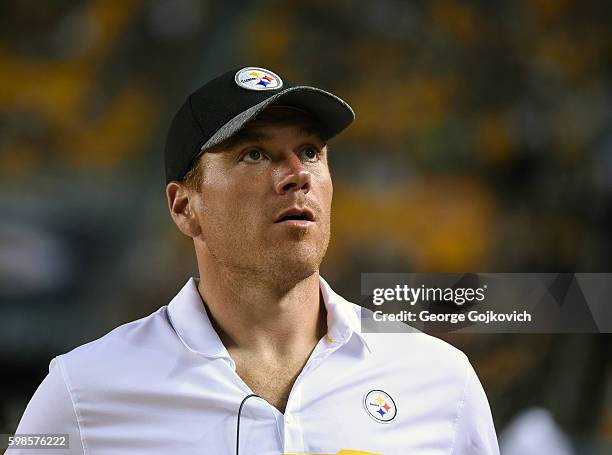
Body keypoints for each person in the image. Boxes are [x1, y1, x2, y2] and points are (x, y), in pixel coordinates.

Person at [8, 67, 500, 455]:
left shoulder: (439, 380)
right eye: (254, 155)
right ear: (185, 207)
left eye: (310, 151)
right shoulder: (81, 392)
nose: (296, 175)